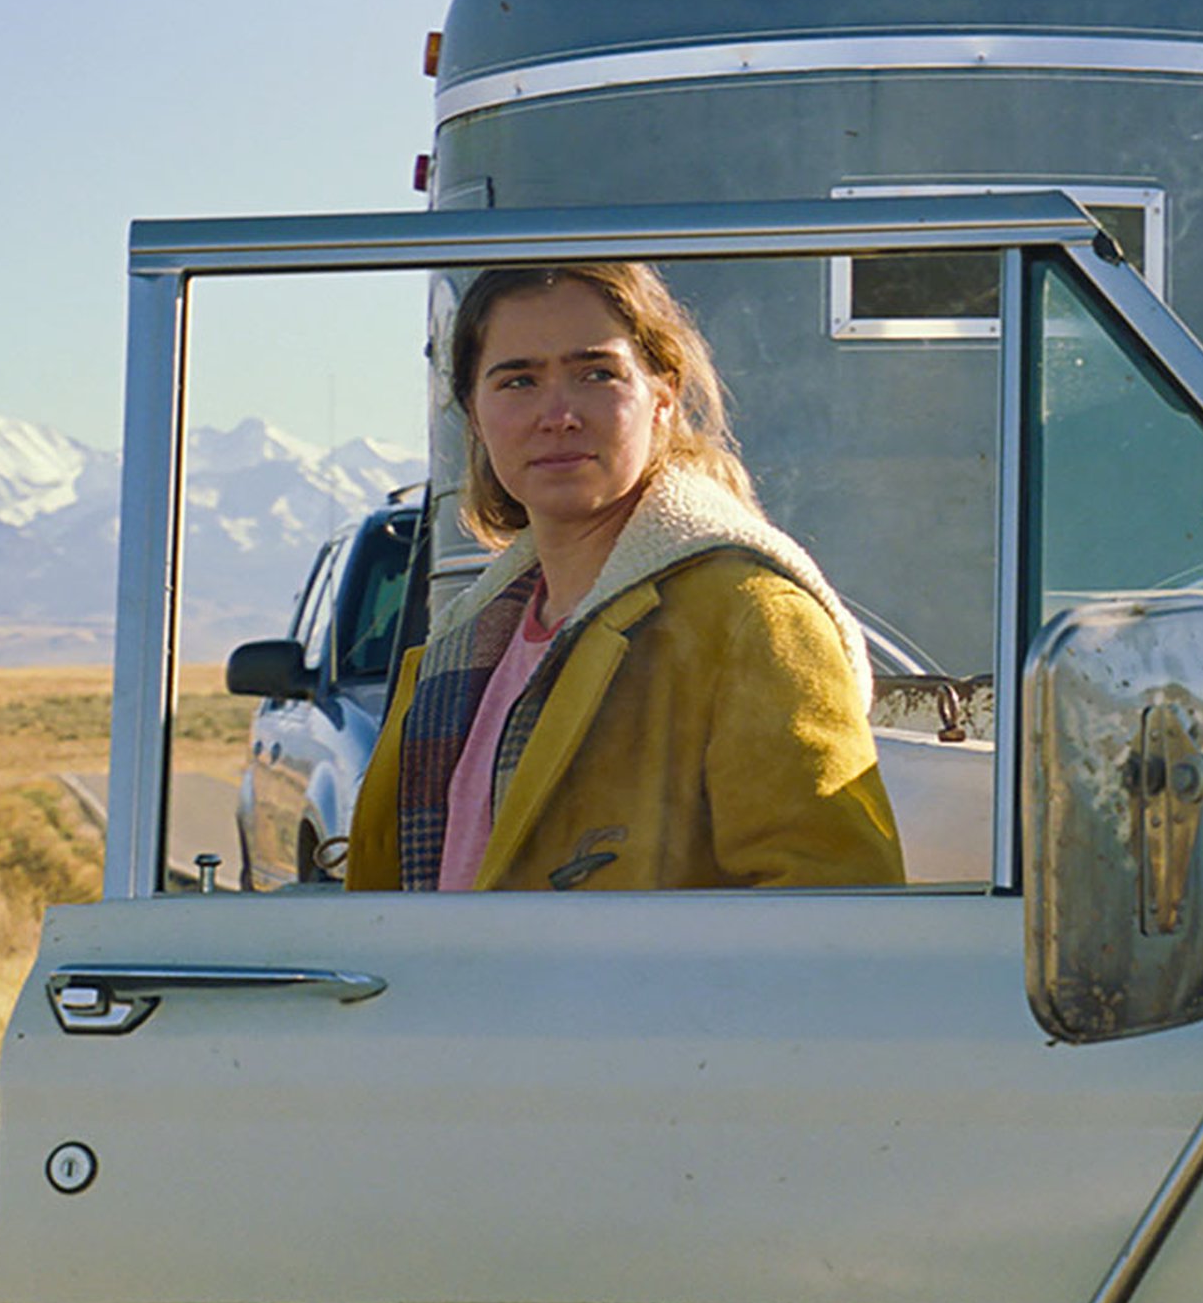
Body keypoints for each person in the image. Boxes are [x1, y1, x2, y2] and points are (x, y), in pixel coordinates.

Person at [347, 263, 904, 892]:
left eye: (596, 374)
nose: (558, 414)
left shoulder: (750, 617)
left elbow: (834, 902)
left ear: (662, 400)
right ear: (475, 416)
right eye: (518, 381)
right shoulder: (471, 640)